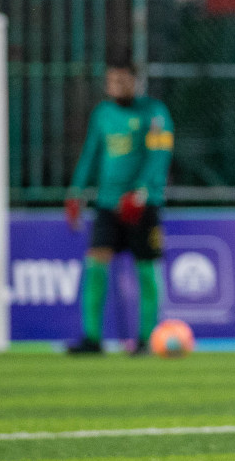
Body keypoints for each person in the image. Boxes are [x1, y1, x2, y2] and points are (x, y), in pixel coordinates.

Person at [63, 59, 173, 354]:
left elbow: (160, 155)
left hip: (142, 205)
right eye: (112, 81)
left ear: (136, 81)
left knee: (146, 269)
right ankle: (92, 338)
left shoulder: (155, 113)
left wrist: (142, 191)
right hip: (108, 204)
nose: (117, 87)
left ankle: (146, 339)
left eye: (123, 81)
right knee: (96, 263)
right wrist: (76, 192)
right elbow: (91, 153)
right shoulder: (103, 114)